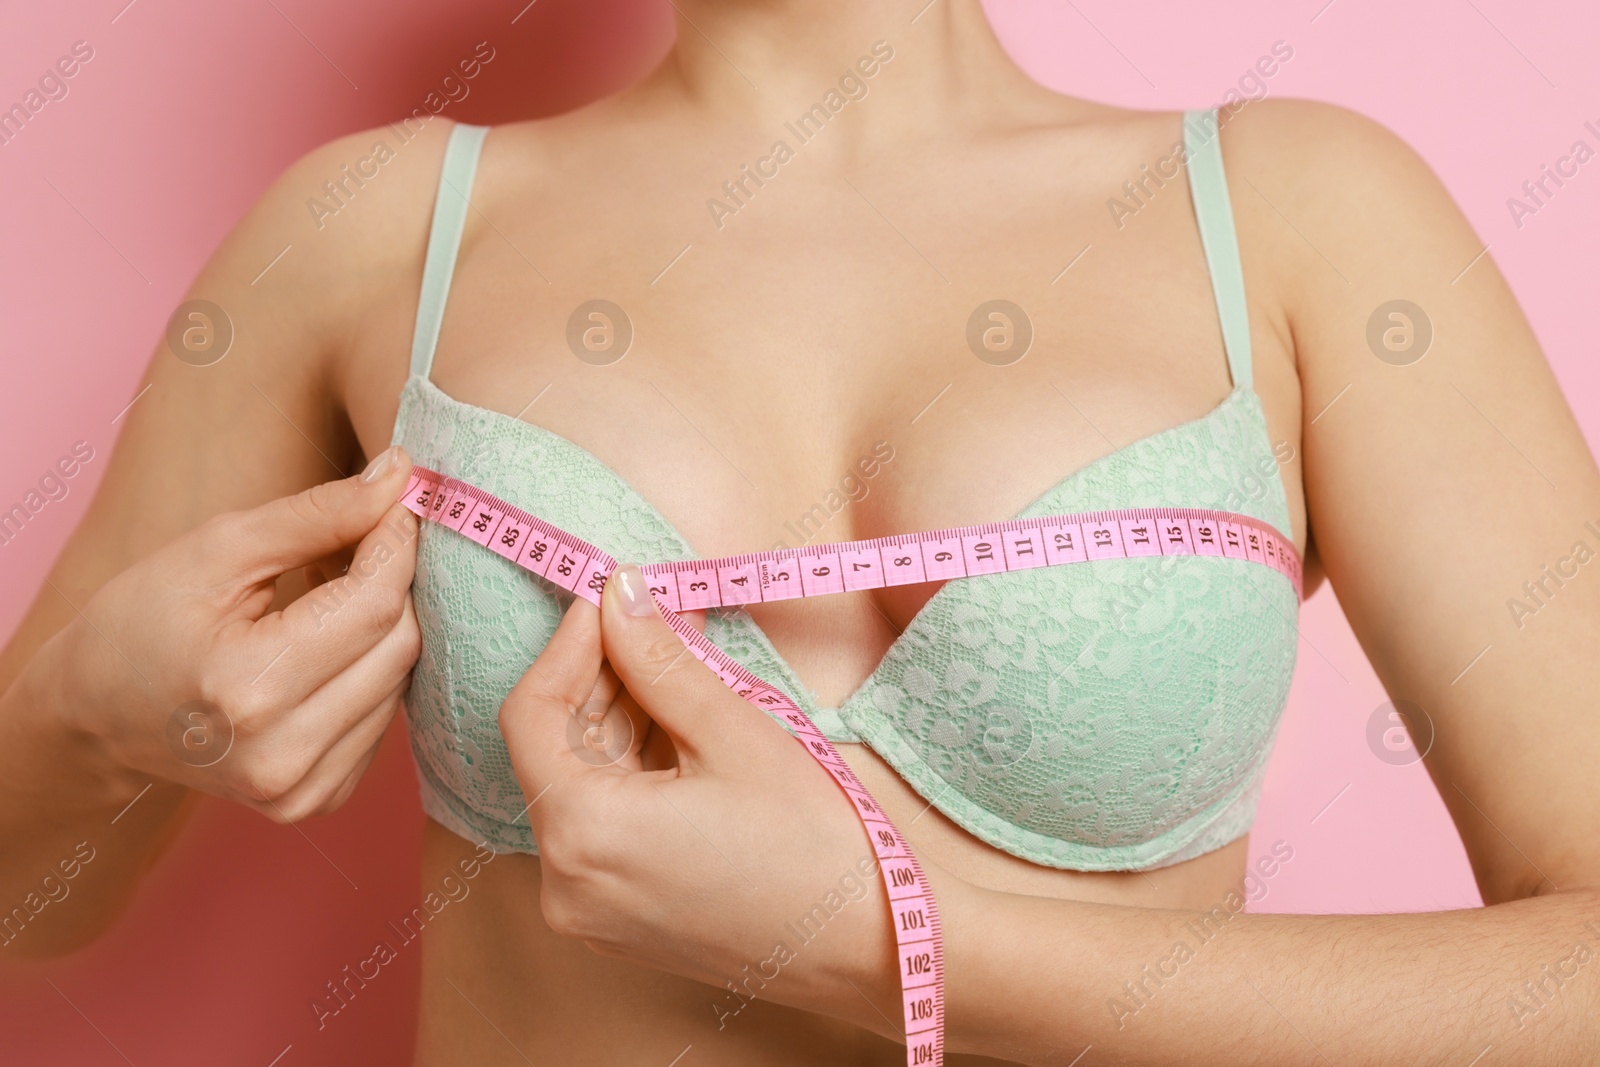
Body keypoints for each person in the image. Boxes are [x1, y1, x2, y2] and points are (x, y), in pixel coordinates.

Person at [4, 2, 1598, 1063]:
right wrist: (85, 720)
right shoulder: (373, 230)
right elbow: (33, 904)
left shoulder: (1295, 210)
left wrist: (882, 942)